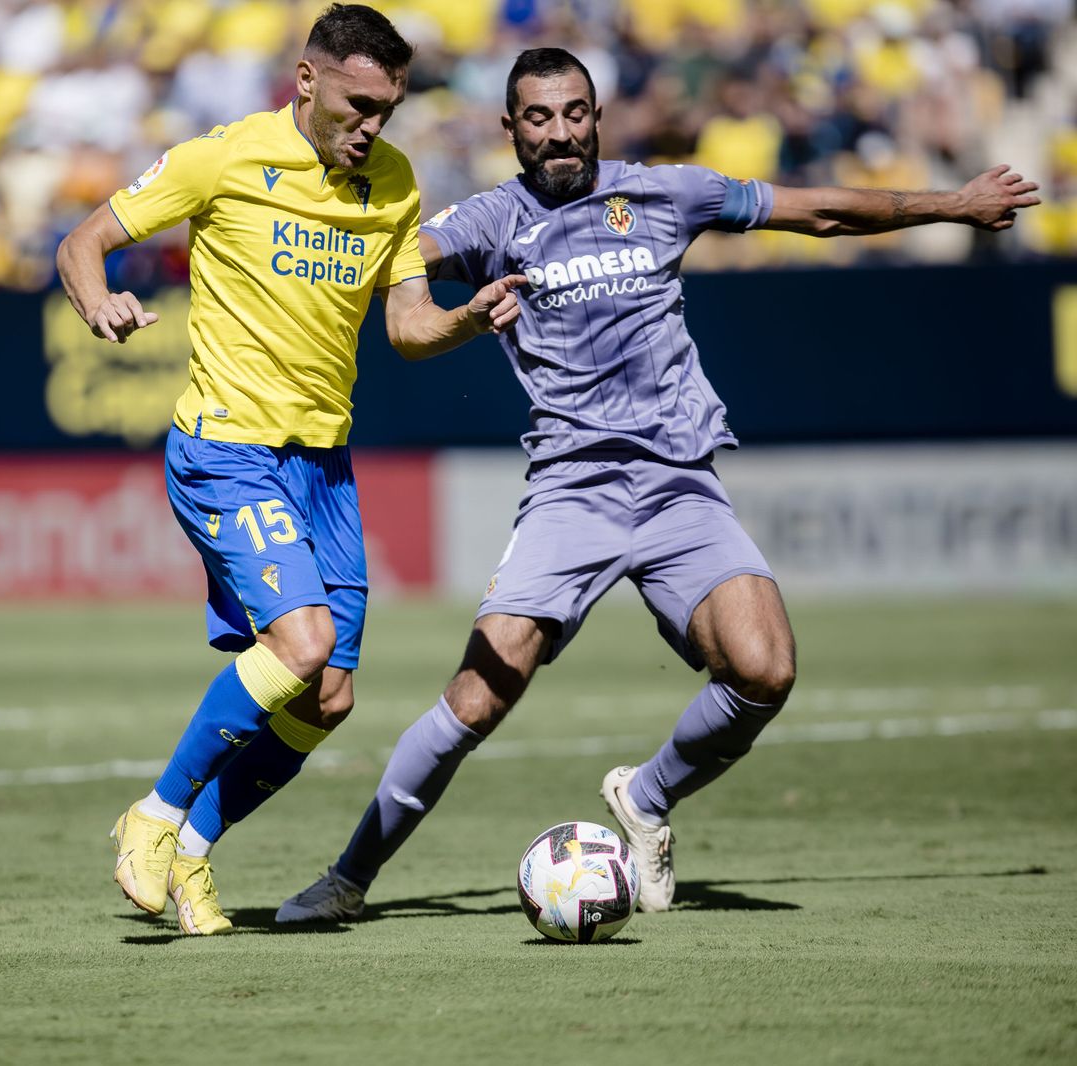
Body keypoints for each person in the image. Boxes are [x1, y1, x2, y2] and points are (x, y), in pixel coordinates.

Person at [276, 47, 1040, 923]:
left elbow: (819, 211)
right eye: (539, 118)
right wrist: (407, 291)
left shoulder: (667, 194)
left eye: (575, 114)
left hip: (680, 485)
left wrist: (955, 204)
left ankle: (645, 798)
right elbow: (396, 268)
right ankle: (348, 879)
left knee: (765, 670)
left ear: (598, 117)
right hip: (573, 489)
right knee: (478, 696)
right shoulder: (490, 219)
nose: (559, 133)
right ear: (510, 129)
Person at [54, 5, 525, 935]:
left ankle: (193, 851)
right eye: (359, 105)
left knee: (328, 697)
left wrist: (466, 320)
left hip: (324, 469)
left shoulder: (393, 182)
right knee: (302, 643)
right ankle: (154, 816)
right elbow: (82, 243)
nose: (372, 126)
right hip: (226, 449)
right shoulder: (222, 157)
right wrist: (99, 302)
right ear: (306, 81)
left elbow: (406, 325)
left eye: (387, 109)